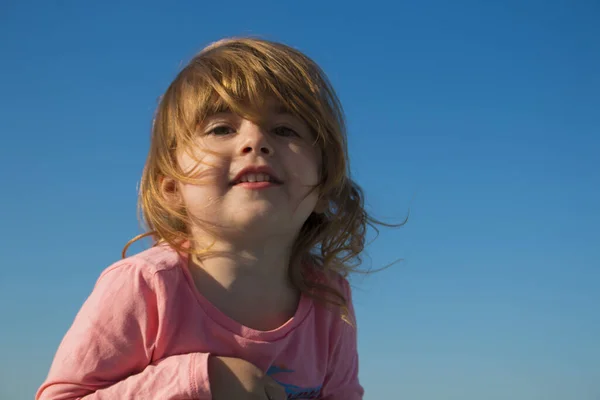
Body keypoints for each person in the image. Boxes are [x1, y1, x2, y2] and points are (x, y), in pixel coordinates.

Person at [36, 37, 382, 400]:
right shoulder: (144, 287)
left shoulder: (328, 300)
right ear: (171, 186)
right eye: (221, 128)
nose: (255, 141)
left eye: (285, 129)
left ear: (324, 189)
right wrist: (197, 381)